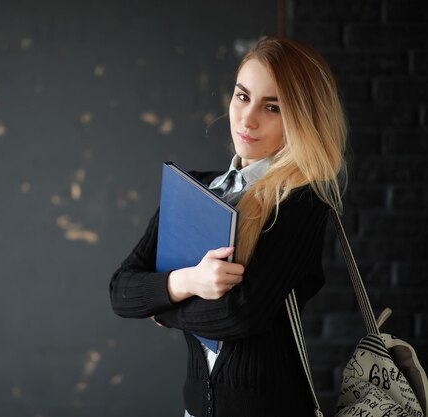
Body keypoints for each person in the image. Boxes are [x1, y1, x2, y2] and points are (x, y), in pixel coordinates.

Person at [109, 36, 347, 417]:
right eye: (242, 96)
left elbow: (238, 315)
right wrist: (188, 282)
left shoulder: (301, 201)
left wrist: (159, 308)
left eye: (272, 107)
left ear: (303, 118)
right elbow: (121, 290)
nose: (248, 118)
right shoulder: (194, 189)